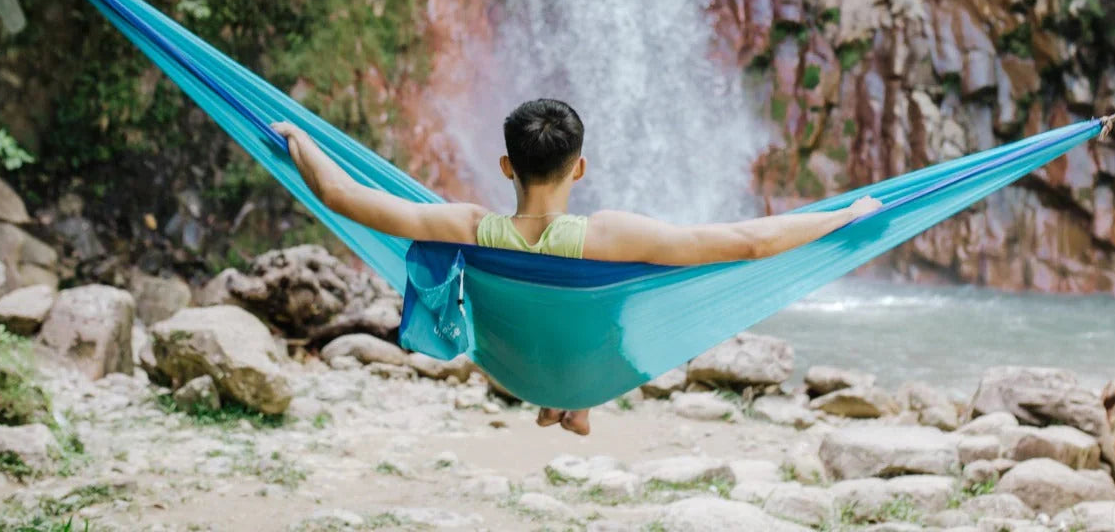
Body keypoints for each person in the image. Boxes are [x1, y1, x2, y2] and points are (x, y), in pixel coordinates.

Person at [273, 98, 881, 436]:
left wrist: (300, 138)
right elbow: (750, 242)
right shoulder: (611, 235)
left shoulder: (467, 225)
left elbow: (344, 198)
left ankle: (556, 400)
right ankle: (576, 404)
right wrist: (844, 214)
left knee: (527, 307)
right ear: (580, 168)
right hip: (596, 372)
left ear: (507, 167)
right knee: (609, 301)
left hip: (515, 371)